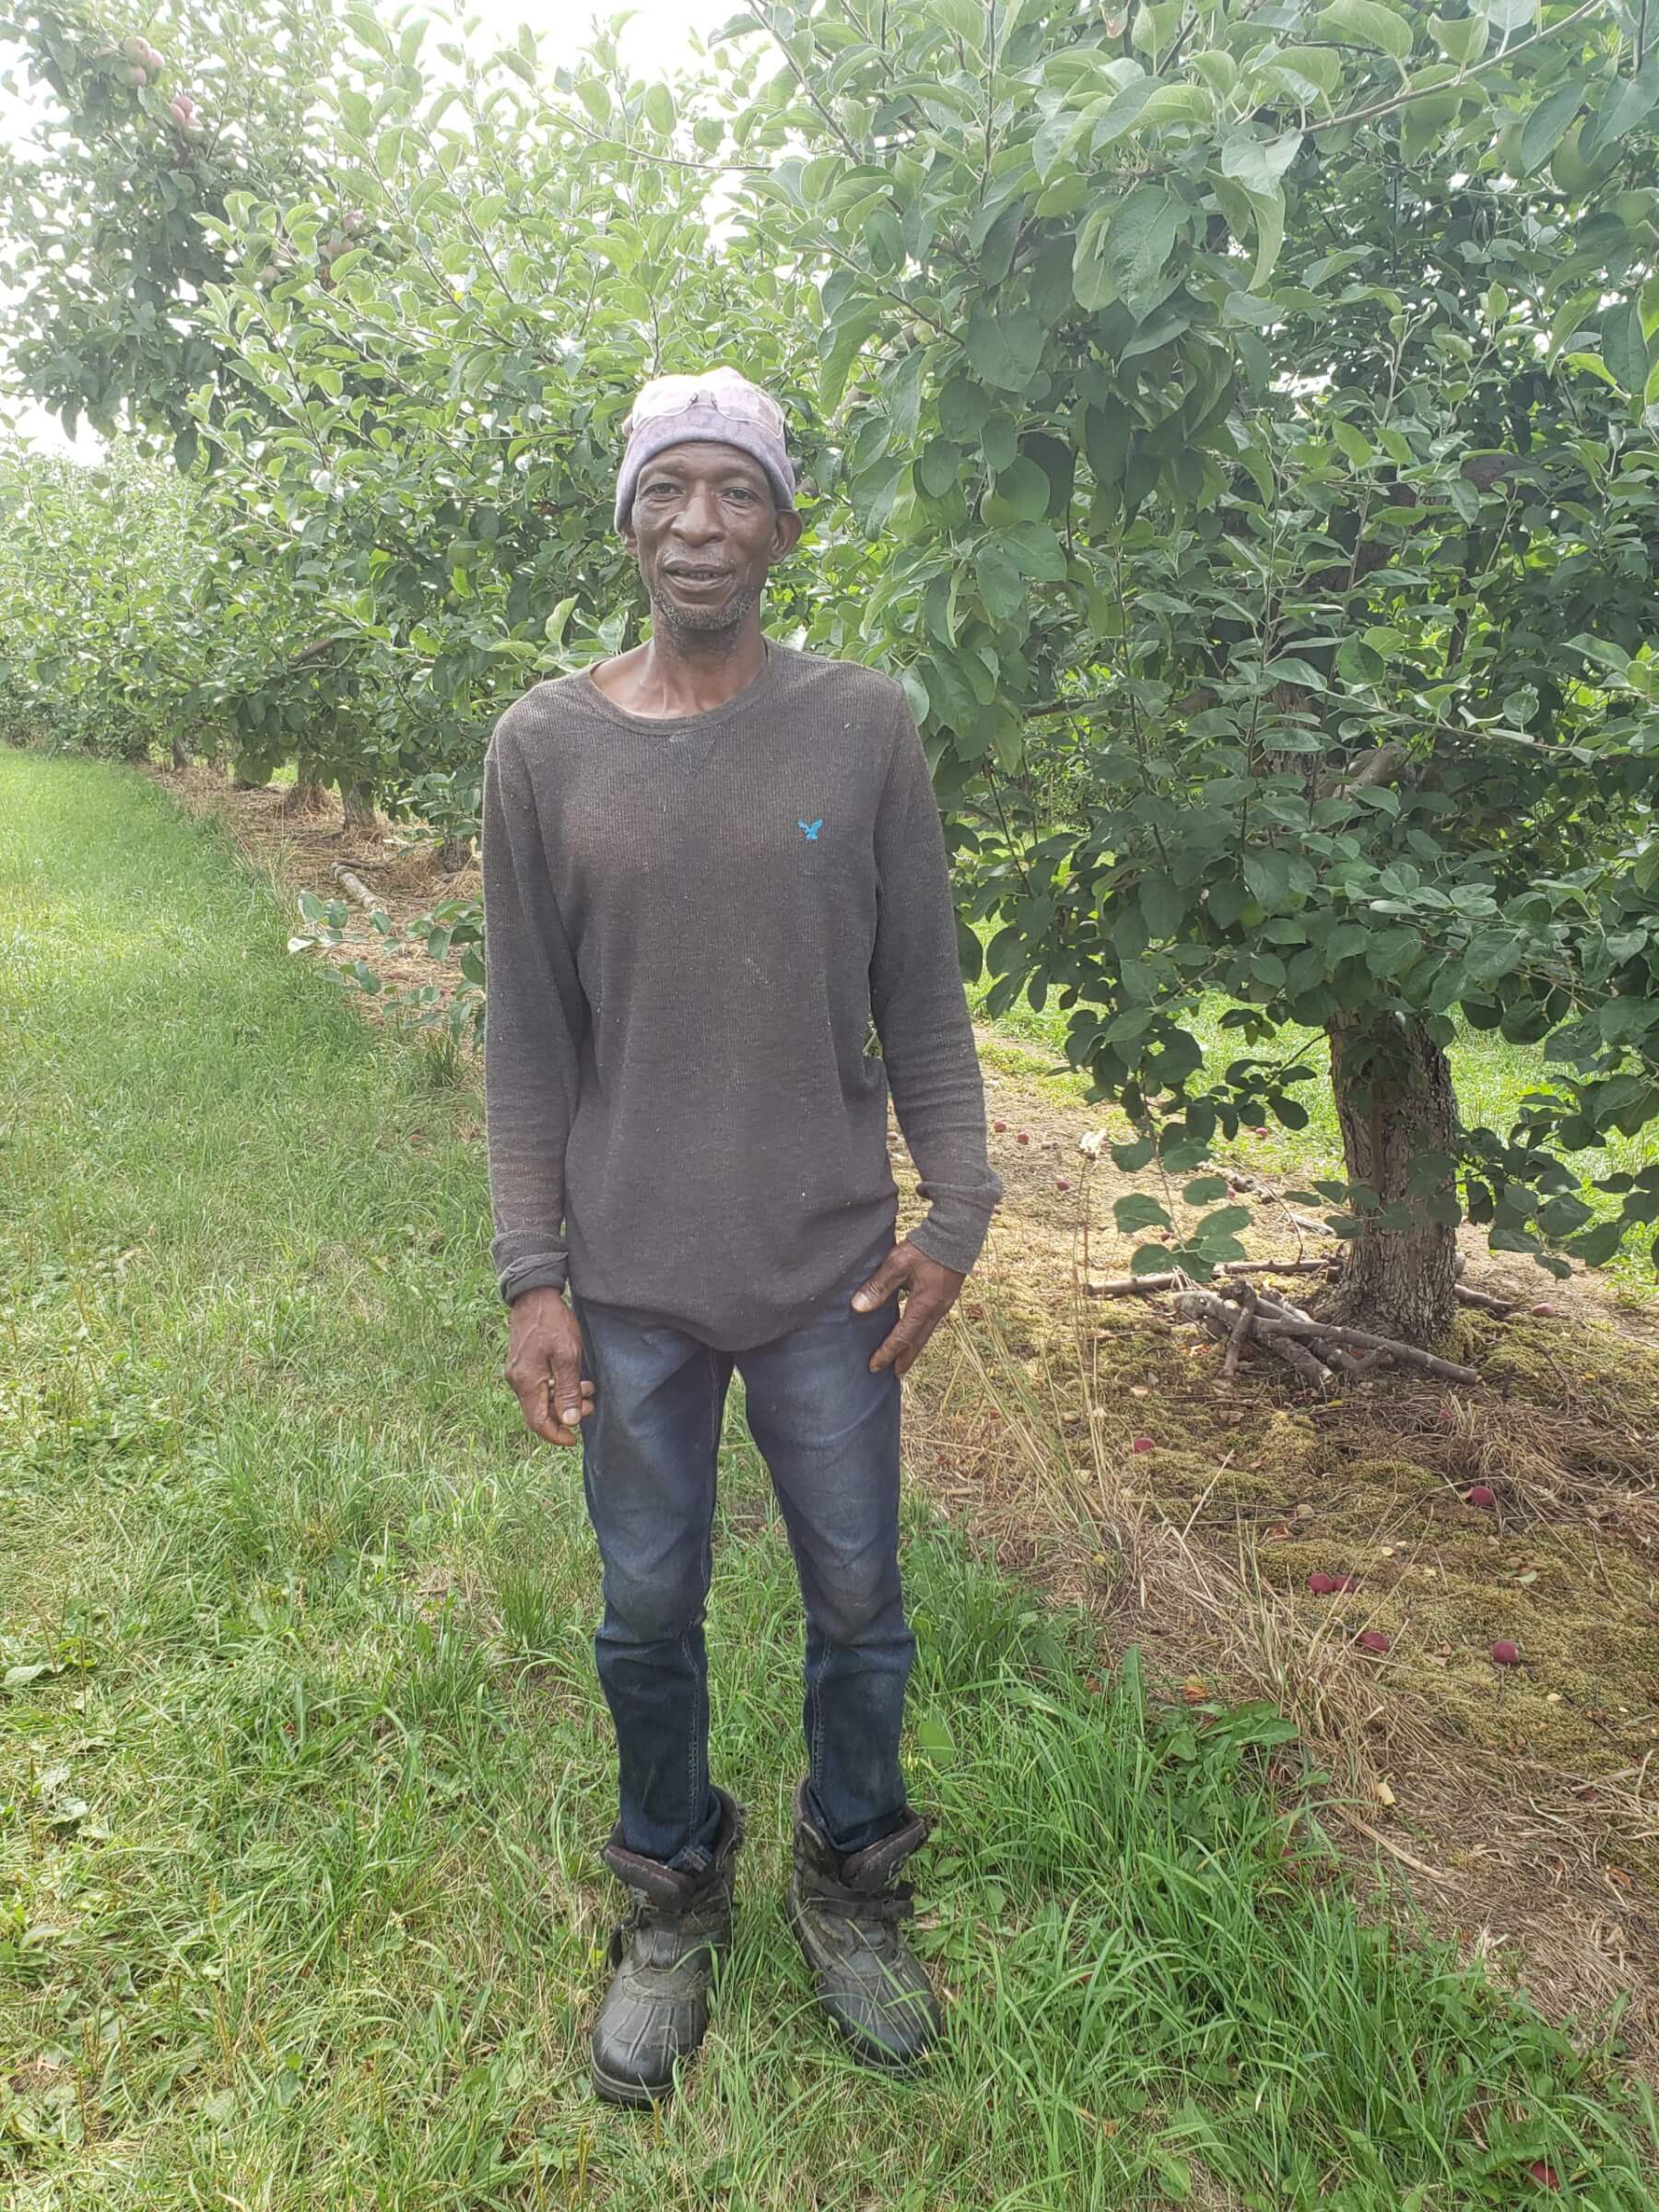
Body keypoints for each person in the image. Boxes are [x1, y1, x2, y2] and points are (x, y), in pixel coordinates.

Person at [479, 365, 1003, 2108]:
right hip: (629, 1280)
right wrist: (532, 1272)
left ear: (784, 523)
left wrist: (959, 1212)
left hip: (826, 1273)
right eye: (666, 490)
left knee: (861, 1600)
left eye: (735, 491)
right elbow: (531, 1039)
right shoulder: (544, 747)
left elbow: (921, 994)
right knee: (647, 1608)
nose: (698, 523)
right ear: (624, 515)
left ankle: (854, 1880)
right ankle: (669, 1897)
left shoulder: (863, 729)